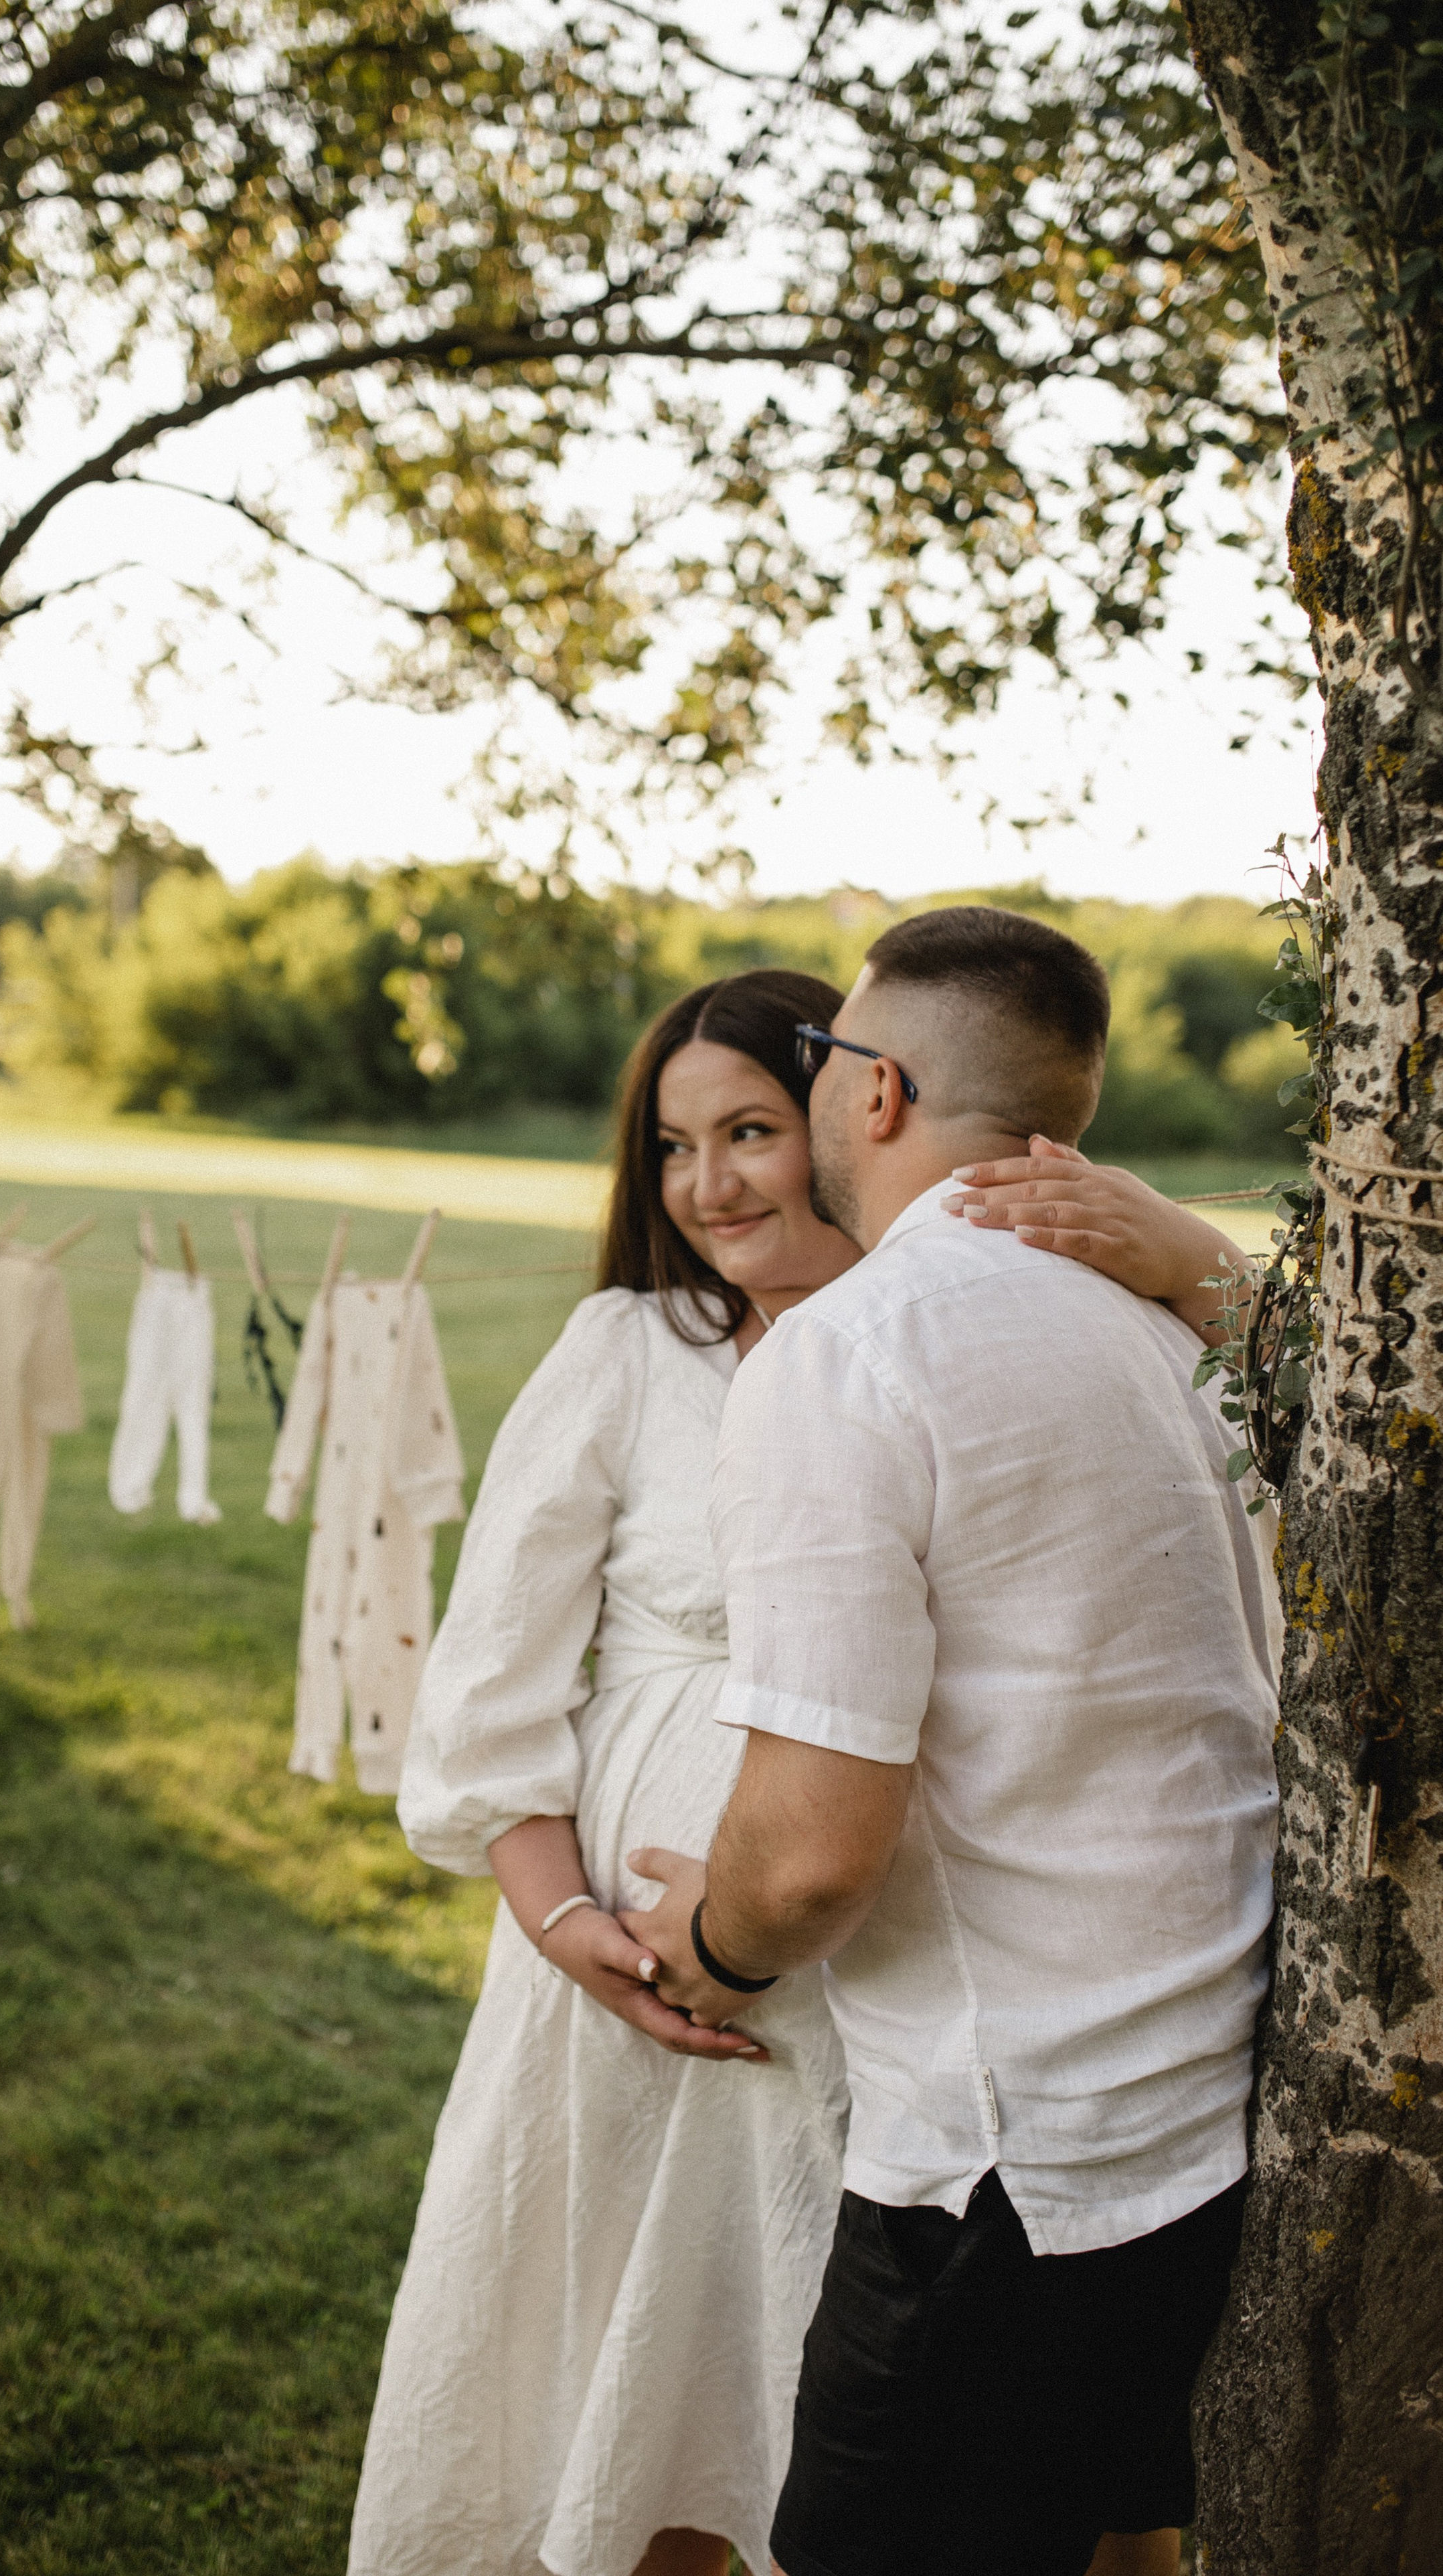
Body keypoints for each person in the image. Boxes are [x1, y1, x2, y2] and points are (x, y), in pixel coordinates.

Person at [349, 961, 1257, 2576]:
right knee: (637, 2426)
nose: (708, 1184)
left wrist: (1208, 1263)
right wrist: (594, 1943)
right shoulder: (630, 1351)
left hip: (885, 2019)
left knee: (857, 2443)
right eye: (672, 1148)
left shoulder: (925, 1343)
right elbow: (489, 1703)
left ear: (858, 1104)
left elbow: (846, 1823)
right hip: (650, 2008)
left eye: (755, 1126)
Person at [629, 908, 1282, 2576]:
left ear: (882, 1089)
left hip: (1018, 2165)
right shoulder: (1171, 1337)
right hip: (1206, 2107)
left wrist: (710, 1945)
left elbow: (812, 1848)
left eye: (824, 1059)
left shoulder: (847, 1358)